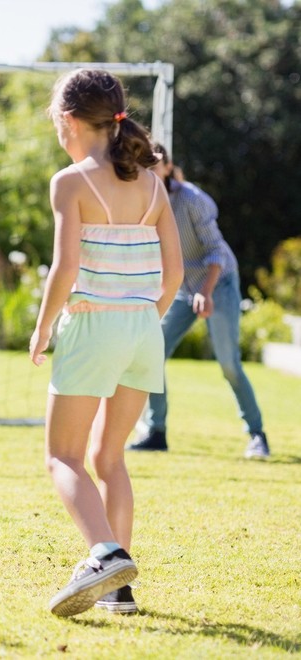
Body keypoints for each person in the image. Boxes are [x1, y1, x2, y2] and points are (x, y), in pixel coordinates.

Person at [29, 69, 183, 617]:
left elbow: (65, 267)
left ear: (68, 120)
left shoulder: (69, 182)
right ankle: (119, 588)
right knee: (110, 457)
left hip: (94, 328)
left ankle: (104, 554)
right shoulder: (153, 184)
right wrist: (142, 318)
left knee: (62, 456)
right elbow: (175, 273)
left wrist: (43, 328)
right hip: (145, 330)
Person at [127, 143, 270, 459]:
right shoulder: (139, 200)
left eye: (155, 163)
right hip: (182, 287)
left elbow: (216, 251)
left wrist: (205, 292)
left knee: (229, 363)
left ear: (167, 166)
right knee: (151, 352)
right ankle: (156, 432)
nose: (148, 168)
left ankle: (257, 436)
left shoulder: (191, 199)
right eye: (142, 163)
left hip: (218, 282)